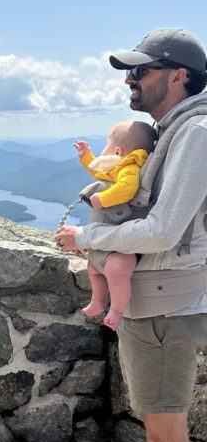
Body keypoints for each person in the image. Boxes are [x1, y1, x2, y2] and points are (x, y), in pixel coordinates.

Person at [56, 27, 207, 442]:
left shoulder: (194, 132)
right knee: (159, 435)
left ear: (180, 76)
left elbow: (166, 230)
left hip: (166, 304)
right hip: (160, 299)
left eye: (142, 71)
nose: (129, 80)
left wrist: (88, 237)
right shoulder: (177, 131)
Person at [74, 120, 157, 330]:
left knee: (117, 270)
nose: (104, 150)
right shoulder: (121, 166)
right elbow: (101, 173)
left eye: (107, 144)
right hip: (112, 237)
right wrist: (86, 158)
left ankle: (117, 310)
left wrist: (102, 199)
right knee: (94, 267)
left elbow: (126, 189)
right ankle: (98, 301)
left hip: (124, 241)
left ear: (118, 151)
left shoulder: (130, 169)